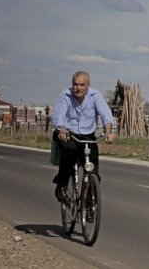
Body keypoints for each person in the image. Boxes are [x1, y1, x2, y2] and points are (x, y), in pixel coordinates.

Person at [52, 71, 115, 201]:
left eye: (82, 85)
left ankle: (91, 198)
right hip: (70, 134)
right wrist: (62, 130)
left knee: (93, 168)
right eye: (75, 84)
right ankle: (61, 186)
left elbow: (106, 115)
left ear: (88, 85)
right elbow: (59, 116)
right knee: (69, 153)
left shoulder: (95, 95)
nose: (78, 88)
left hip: (88, 136)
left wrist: (108, 132)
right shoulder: (65, 95)